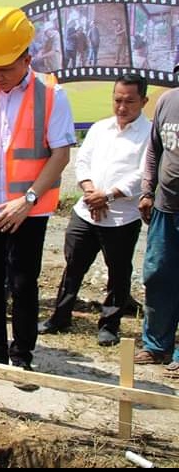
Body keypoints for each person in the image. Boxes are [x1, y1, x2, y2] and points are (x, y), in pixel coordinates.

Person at [0, 7, 75, 380]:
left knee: (23, 283)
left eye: (4, 68)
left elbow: (60, 153)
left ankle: (22, 354)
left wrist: (28, 201)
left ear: (27, 57)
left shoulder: (51, 95)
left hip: (27, 210)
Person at [38, 74, 150, 347]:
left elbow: (142, 173)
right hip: (86, 212)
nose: (122, 107)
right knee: (74, 266)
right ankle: (60, 317)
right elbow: (82, 161)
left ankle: (109, 324)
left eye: (129, 102)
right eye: (117, 100)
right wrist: (90, 192)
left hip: (122, 217)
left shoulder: (149, 134)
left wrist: (108, 196)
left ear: (143, 101)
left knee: (118, 272)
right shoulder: (100, 128)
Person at [134, 63, 179, 378]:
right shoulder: (167, 102)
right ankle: (156, 345)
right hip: (165, 206)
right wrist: (147, 191)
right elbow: (154, 151)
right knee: (158, 274)